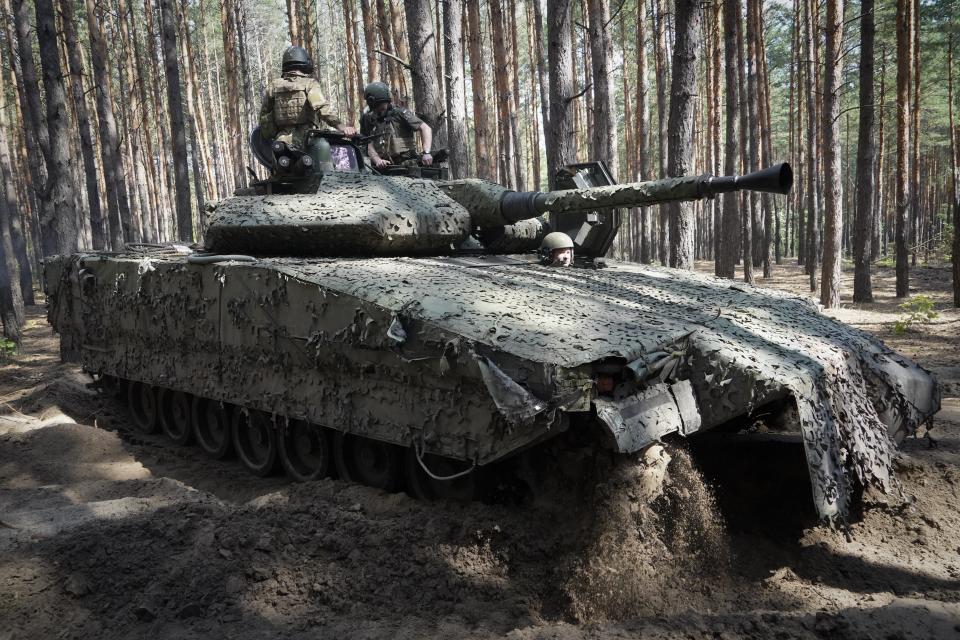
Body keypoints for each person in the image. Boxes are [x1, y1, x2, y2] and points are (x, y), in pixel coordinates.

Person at [258, 46, 356, 171]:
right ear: (304, 62)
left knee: (284, 171)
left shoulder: (273, 86)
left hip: (282, 141)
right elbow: (322, 109)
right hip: (308, 140)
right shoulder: (309, 84)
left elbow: (264, 118)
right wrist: (342, 127)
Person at [360, 82, 433, 168]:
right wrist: (377, 160)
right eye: (379, 106)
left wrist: (427, 153)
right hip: (384, 167)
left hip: (407, 165)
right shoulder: (369, 118)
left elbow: (425, 128)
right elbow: (368, 143)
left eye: (384, 104)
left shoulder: (399, 113)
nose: (382, 108)